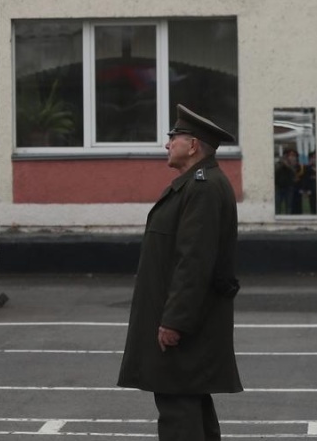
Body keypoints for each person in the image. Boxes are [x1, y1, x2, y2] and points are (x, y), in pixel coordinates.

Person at [118, 104, 241, 441]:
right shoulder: (195, 185)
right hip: (188, 318)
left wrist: (175, 321)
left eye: (174, 137)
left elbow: (194, 261)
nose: (167, 144)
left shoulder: (201, 188)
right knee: (190, 401)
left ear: (193, 145)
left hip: (186, 323)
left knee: (178, 407)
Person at [274, 147, 301, 215]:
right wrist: (282, 164)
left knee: (289, 206)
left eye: (293, 155)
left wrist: (288, 166)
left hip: (289, 187)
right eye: (290, 155)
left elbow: (295, 172)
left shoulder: (295, 164)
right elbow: (275, 171)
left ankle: (288, 217)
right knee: (277, 205)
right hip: (279, 187)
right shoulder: (279, 163)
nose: (292, 157)